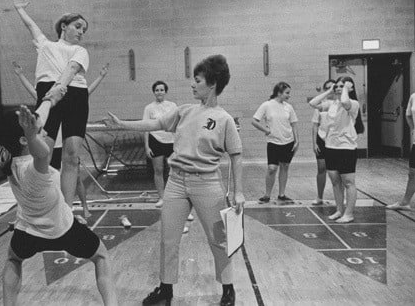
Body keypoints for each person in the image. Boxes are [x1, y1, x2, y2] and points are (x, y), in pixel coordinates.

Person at [106, 55, 244, 306]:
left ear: (212, 84)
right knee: (168, 238)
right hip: (177, 183)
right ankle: (165, 290)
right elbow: (155, 123)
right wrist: (122, 124)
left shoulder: (224, 119)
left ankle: (228, 289)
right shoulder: (183, 111)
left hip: (208, 184)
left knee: (219, 240)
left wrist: (239, 192)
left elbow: (236, 155)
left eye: (198, 80)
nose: (192, 84)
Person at [0, 106, 117, 306]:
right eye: (39, 130)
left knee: (13, 259)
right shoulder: (33, 169)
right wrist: (33, 135)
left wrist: (51, 99)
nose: (45, 132)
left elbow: (37, 127)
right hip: (63, 230)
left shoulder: (10, 161)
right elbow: (42, 153)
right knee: (101, 256)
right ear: (25, 139)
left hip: (27, 233)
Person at [14, 1, 91, 212]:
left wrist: (58, 91)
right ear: (64, 26)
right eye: (77, 26)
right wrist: (20, 9)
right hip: (49, 90)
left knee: (72, 155)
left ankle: (66, 210)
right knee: (42, 154)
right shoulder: (45, 45)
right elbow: (31, 26)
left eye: (83, 29)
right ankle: (40, 204)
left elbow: (72, 68)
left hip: (74, 93)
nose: (81, 32)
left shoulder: (80, 51)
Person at [11, 61, 109, 219]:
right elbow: (35, 93)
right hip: (51, 147)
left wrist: (100, 77)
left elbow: (86, 92)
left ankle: (82, 207)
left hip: (66, 146)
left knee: (75, 178)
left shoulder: (72, 99)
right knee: (49, 179)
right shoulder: (50, 99)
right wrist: (21, 75)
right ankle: (53, 212)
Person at [309, 76, 363, 223]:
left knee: (348, 182)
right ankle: (339, 210)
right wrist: (329, 91)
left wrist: (346, 88)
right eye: (337, 86)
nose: (338, 88)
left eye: (342, 86)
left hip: (346, 148)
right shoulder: (332, 104)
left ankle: (349, 213)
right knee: (335, 181)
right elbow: (313, 103)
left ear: (350, 88)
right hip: (331, 147)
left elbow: (345, 101)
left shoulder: (353, 103)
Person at [251, 82, 299, 204]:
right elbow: (254, 121)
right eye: (287, 93)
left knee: (285, 166)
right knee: (272, 168)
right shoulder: (266, 105)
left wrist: (297, 140)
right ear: (279, 92)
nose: (289, 95)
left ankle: (281, 195)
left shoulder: (289, 107)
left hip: (288, 142)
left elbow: (294, 124)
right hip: (273, 142)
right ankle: (267, 195)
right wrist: (266, 130)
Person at [143, 80, 177, 208]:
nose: (159, 92)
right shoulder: (149, 108)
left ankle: (175, 197)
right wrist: (147, 146)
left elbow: (177, 124)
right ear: (154, 92)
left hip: (171, 141)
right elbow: (145, 127)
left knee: (176, 171)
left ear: (165, 91)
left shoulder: (173, 105)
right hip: (155, 140)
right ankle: (162, 197)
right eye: (157, 90)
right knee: (158, 170)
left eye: (161, 90)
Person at [387, 90, 415, 210]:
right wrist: (414, 129)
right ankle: (405, 202)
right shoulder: (414, 97)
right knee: (413, 174)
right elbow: (408, 115)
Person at [311, 79, 336, 205]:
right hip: (321, 139)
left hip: (334, 140)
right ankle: (319, 196)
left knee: (336, 170)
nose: (330, 90)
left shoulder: (340, 104)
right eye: (327, 88)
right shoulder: (321, 105)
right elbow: (315, 125)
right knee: (321, 168)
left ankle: (339, 197)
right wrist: (314, 143)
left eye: (332, 87)